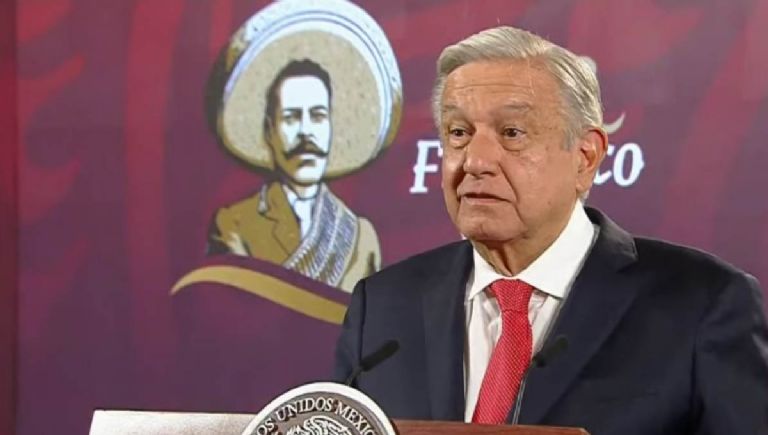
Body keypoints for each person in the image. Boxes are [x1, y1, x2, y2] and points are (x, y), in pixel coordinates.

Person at [334, 26, 768, 434]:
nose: (476, 161)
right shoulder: (384, 307)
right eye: (459, 132)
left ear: (585, 156)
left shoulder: (702, 306)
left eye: (512, 133)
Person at [208, 59, 381, 292]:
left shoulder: (360, 238)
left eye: (318, 116)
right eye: (291, 118)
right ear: (269, 130)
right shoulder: (235, 225)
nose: (306, 132)